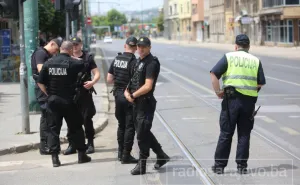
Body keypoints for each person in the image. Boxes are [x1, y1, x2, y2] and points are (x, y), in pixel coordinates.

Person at [210, 34, 266, 174]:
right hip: (248, 103)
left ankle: (219, 167)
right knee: (244, 134)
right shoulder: (255, 60)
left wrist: (218, 92)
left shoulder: (229, 57)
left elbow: (214, 74)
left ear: (236, 46)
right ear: (248, 47)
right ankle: (242, 167)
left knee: (226, 133)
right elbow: (260, 83)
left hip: (231, 101)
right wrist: (250, 91)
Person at [37, 41, 92, 167]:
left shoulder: (48, 63)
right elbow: (85, 64)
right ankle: (81, 155)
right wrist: (72, 56)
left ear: (60, 49)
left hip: (53, 101)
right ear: (71, 50)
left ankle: (55, 158)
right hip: (69, 101)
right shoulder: (73, 63)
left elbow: (40, 82)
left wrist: (48, 94)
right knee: (76, 128)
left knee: (53, 130)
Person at [124, 37, 170, 175]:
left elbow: (148, 86)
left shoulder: (151, 63)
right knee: (143, 131)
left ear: (149, 47)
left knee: (142, 135)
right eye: (139, 46)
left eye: (144, 46)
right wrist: (127, 92)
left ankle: (142, 165)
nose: (141, 49)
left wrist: (132, 96)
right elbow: (133, 81)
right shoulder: (138, 61)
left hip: (145, 102)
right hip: (136, 102)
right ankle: (161, 155)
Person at [63, 36, 100, 155]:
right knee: (70, 120)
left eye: (77, 44)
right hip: (71, 92)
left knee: (86, 118)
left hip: (84, 92)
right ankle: (72, 144)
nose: (75, 47)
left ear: (81, 44)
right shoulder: (66, 58)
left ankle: (90, 143)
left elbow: (97, 73)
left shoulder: (87, 57)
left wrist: (92, 82)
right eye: (73, 45)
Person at [107, 36, 139, 164]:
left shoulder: (117, 59)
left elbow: (109, 79)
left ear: (125, 46)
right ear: (136, 48)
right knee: (130, 126)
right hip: (129, 96)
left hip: (118, 95)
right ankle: (126, 155)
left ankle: (120, 152)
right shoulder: (135, 62)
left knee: (121, 125)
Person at [31, 38, 62, 155]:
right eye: (56, 49)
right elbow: (41, 69)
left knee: (47, 117)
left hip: (45, 89)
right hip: (42, 90)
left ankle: (47, 145)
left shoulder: (46, 54)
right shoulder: (41, 53)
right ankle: (44, 146)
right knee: (46, 117)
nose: (56, 52)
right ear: (52, 43)